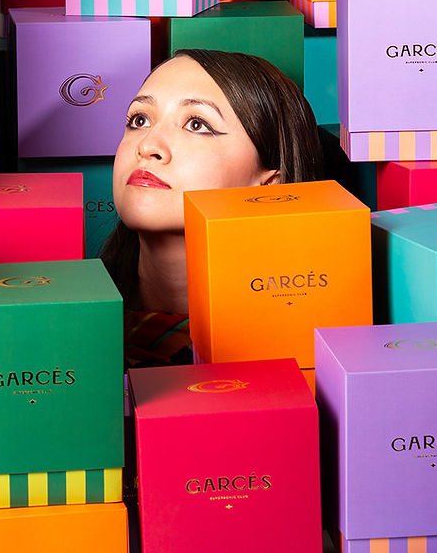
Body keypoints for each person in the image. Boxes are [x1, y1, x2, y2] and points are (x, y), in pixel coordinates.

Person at [100, 48, 323, 367]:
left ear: (270, 185)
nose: (147, 146)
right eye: (140, 120)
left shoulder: (309, 350)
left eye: (196, 124)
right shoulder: (66, 326)